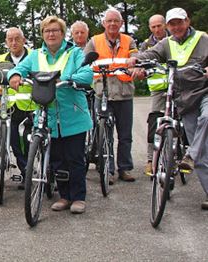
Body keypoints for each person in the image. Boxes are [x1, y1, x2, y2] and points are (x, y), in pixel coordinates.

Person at [8, 16, 94, 214]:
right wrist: (14, 75)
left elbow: (87, 74)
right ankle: (64, 196)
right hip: (47, 116)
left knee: (74, 158)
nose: (51, 34)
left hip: (72, 115)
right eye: (47, 31)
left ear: (63, 34)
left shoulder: (74, 53)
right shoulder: (36, 55)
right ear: (42, 35)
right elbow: (20, 67)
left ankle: (78, 197)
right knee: (57, 159)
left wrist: (66, 79)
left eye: (55, 30)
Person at [128, 7, 208, 210]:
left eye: (179, 23)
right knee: (202, 158)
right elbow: (151, 54)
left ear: (187, 21)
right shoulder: (167, 43)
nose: (176, 27)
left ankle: (191, 153)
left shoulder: (202, 38)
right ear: (168, 26)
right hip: (185, 99)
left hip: (204, 93)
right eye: (172, 24)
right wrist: (136, 60)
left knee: (206, 119)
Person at [84, 8, 140, 184]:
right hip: (103, 93)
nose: (113, 24)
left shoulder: (129, 41)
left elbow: (136, 58)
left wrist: (135, 65)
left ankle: (125, 168)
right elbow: (85, 63)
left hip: (124, 93)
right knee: (104, 135)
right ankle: (107, 169)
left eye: (116, 21)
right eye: (109, 21)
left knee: (125, 135)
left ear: (121, 23)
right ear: (104, 23)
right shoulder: (94, 41)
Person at [0, 27, 36, 190]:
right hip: (10, 107)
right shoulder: (2, 58)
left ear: (24, 40)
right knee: (14, 141)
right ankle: (26, 172)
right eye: (10, 39)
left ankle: (41, 171)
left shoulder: (33, 56)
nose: (13, 42)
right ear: (6, 42)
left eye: (17, 39)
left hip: (30, 106)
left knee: (29, 140)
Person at [139, 14, 169, 175]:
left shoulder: (173, 40)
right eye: (153, 27)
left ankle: (185, 154)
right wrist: (140, 71)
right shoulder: (146, 45)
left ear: (165, 25)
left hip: (178, 85)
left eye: (159, 25)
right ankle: (151, 160)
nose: (157, 29)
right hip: (157, 89)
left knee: (184, 121)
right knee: (154, 122)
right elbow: (140, 63)